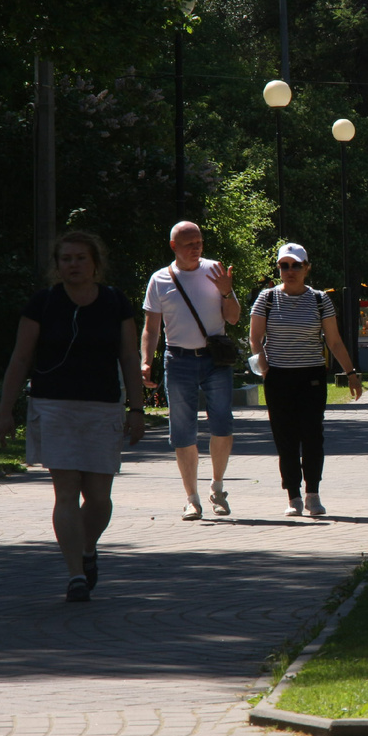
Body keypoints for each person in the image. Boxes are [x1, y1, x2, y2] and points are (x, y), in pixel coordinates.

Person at [0, 231, 145, 602]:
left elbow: (129, 357)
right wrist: (4, 410)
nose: (73, 265)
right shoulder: (43, 303)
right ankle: (76, 574)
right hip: (53, 406)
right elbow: (20, 358)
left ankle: (87, 548)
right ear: (57, 265)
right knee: (65, 493)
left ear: (95, 263)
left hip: (102, 408)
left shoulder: (115, 301)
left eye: (80, 258)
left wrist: (137, 409)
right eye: (66, 259)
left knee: (99, 498)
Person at [250, 243, 363, 517]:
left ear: (306, 268)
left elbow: (334, 341)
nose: (290, 271)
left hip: (311, 375)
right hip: (278, 377)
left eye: (296, 265)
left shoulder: (320, 299)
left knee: (312, 436)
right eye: (284, 266)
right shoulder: (267, 298)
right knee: (285, 438)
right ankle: (293, 496)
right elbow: (255, 337)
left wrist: (351, 374)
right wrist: (264, 367)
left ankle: (313, 493)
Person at [142, 221, 240, 521]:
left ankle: (217, 487)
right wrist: (145, 361)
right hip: (178, 361)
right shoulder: (159, 279)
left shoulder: (215, 271)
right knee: (183, 430)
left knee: (222, 424)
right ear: (174, 246)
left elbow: (233, 318)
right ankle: (192, 499)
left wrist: (227, 292)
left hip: (215, 361)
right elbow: (151, 328)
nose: (196, 248)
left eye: (199, 243)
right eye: (189, 244)